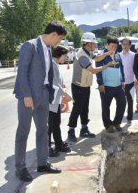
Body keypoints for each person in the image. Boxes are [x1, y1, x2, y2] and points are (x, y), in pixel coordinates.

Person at [14, 21, 67, 182]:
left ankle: (43, 162)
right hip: (28, 96)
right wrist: (26, 94)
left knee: (43, 130)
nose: (59, 42)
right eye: (60, 38)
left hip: (44, 95)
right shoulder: (29, 46)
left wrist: (50, 92)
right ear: (53, 35)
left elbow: (48, 72)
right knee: (23, 131)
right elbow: (22, 72)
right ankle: (20, 167)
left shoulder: (49, 48)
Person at [67, 32, 118, 141]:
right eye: (94, 43)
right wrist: (107, 65)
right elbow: (93, 70)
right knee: (77, 108)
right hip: (78, 86)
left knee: (85, 108)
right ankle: (71, 130)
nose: (95, 45)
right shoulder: (82, 56)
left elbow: (97, 58)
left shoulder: (88, 52)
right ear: (88, 43)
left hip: (85, 85)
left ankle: (84, 129)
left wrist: (106, 54)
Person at [48, 46, 74, 157]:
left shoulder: (56, 65)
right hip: (50, 101)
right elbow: (54, 83)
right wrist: (65, 94)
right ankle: (47, 147)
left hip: (55, 100)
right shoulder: (51, 65)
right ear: (58, 54)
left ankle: (59, 144)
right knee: (49, 126)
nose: (66, 58)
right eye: (65, 56)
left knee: (56, 123)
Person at [96, 36, 126, 133]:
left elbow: (121, 68)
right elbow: (98, 70)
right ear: (107, 45)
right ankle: (108, 125)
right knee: (106, 106)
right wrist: (100, 83)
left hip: (118, 86)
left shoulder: (118, 55)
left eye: (115, 47)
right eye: (112, 46)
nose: (113, 49)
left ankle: (117, 122)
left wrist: (122, 80)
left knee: (122, 102)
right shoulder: (101, 55)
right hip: (106, 86)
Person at [119, 38, 137, 125]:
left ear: (130, 46)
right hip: (120, 82)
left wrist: (136, 80)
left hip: (130, 82)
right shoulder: (118, 55)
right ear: (121, 45)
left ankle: (129, 118)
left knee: (130, 101)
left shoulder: (133, 55)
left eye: (127, 44)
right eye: (123, 44)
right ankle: (119, 118)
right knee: (121, 101)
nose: (125, 46)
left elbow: (136, 69)